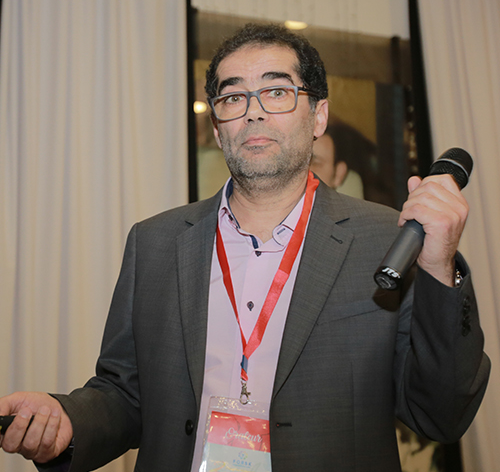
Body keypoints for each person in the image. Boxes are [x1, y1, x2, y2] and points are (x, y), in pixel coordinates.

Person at [0, 23, 490, 472]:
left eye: (277, 92)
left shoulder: (385, 240)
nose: (253, 111)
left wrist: (439, 266)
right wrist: (65, 420)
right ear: (218, 128)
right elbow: (126, 394)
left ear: (318, 116)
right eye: (233, 97)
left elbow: (441, 413)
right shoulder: (155, 243)